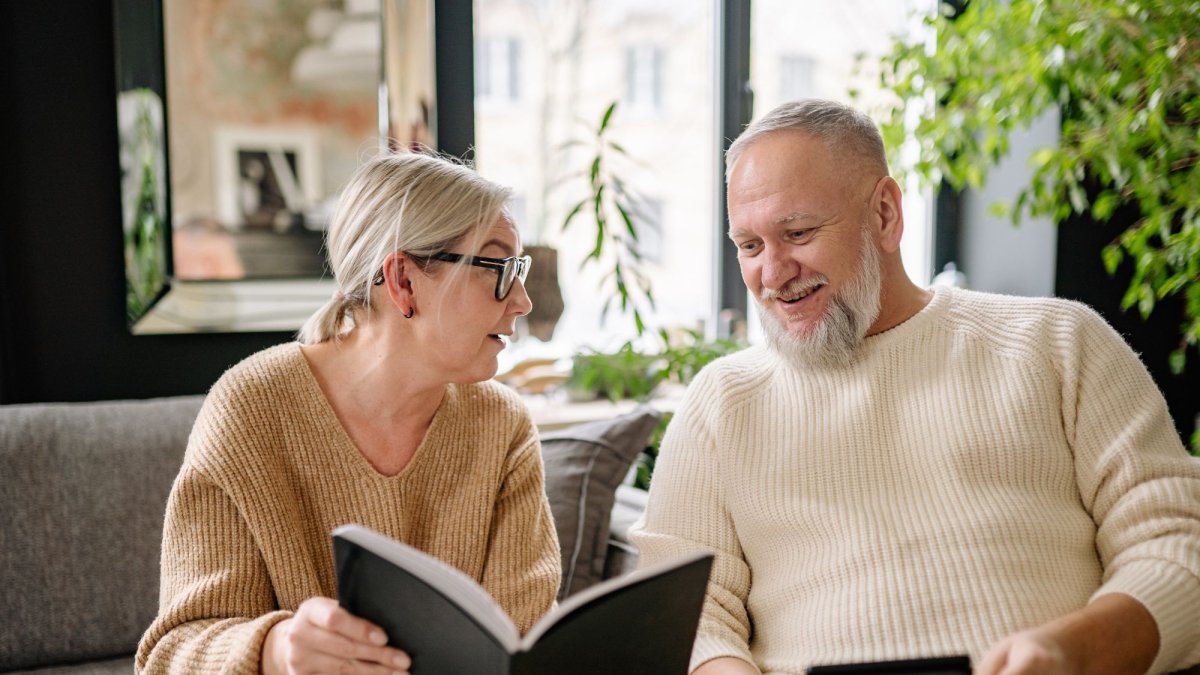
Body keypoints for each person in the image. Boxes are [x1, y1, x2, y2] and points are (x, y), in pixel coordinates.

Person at [630, 99, 1200, 675]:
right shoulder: (722, 403)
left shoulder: (1056, 342)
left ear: (884, 214)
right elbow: (684, 617)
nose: (772, 274)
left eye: (797, 233)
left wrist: (1077, 651)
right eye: (750, 246)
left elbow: (1177, 542)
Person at [136, 152, 561, 674]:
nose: (522, 301)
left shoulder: (502, 426)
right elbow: (170, 655)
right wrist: (277, 649)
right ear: (403, 281)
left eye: (519, 269)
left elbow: (525, 642)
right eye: (498, 268)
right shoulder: (251, 409)